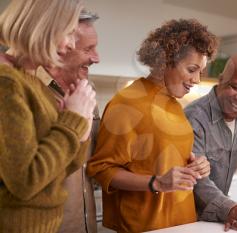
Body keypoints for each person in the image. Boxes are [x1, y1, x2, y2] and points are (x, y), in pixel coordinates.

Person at [87, 19, 219, 233]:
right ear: (165, 60)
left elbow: (167, 160)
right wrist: (156, 183)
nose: (196, 80)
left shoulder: (174, 104)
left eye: (201, 72)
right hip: (146, 226)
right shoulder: (127, 103)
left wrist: (197, 165)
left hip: (182, 221)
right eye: (192, 69)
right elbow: (101, 169)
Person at [0, 0, 97, 232]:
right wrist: (72, 121)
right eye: (69, 33)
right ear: (45, 26)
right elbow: (25, 181)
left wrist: (81, 126)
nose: (71, 43)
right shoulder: (7, 82)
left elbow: (60, 170)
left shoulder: (30, 81)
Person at [185, 55, 237, 232]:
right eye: (236, 87)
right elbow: (197, 179)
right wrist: (230, 208)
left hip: (217, 221)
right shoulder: (195, 117)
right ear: (221, 80)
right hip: (190, 222)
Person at [39, 9, 100, 233]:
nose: (97, 58)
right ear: (60, 48)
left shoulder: (88, 91)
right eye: (88, 49)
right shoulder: (30, 92)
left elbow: (94, 161)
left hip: (86, 224)